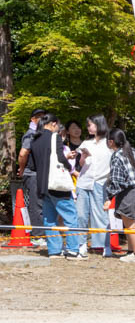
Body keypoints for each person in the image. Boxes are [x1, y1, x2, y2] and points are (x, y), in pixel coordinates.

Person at [27, 114, 85, 260]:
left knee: (49, 218)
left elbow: (32, 165)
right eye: (58, 125)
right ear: (53, 124)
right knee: (70, 216)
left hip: (42, 184)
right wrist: (68, 164)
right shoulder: (55, 137)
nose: (59, 128)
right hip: (57, 184)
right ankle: (73, 250)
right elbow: (60, 158)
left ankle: (54, 250)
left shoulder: (34, 140)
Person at [104, 129, 135, 263]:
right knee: (130, 224)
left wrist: (109, 197)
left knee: (131, 225)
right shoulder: (133, 151)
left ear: (111, 142)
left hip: (127, 193)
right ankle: (131, 251)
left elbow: (116, 180)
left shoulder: (117, 156)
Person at [75, 114, 113, 257]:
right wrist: (83, 157)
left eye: (90, 124)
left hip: (101, 182)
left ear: (98, 125)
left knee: (101, 215)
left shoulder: (109, 144)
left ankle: (104, 245)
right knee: (81, 215)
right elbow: (80, 164)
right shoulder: (86, 143)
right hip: (84, 182)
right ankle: (82, 244)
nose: (88, 127)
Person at [16, 107, 48, 245]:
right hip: (32, 173)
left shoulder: (42, 134)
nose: (41, 119)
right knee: (36, 204)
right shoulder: (31, 134)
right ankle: (37, 236)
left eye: (43, 116)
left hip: (41, 173)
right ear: (32, 119)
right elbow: (23, 153)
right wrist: (22, 169)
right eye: (38, 116)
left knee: (43, 204)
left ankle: (43, 234)